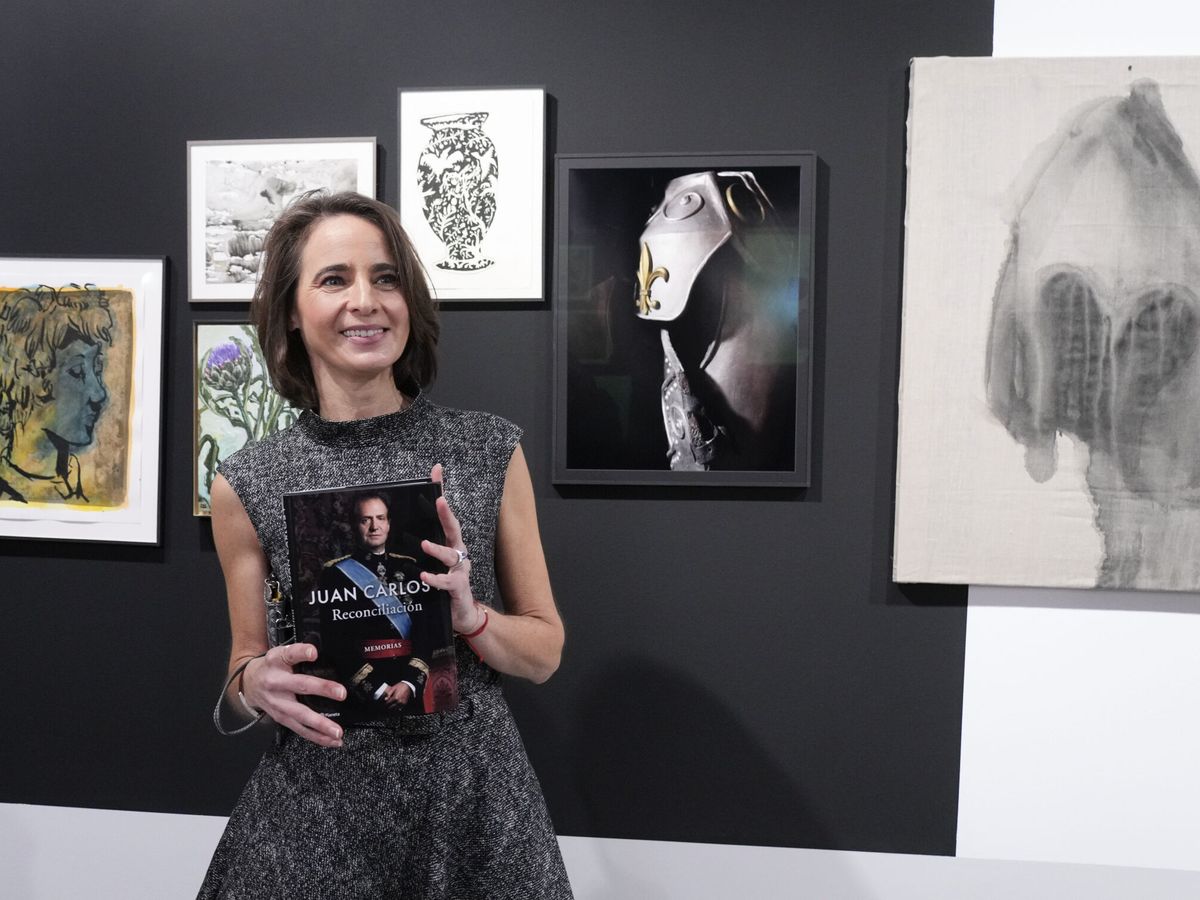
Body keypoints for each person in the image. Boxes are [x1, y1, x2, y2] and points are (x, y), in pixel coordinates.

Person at [200, 191, 572, 899]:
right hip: (315, 821)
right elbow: (240, 674)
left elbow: (546, 651)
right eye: (334, 279)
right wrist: (255, 685)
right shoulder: (246, 483)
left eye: (387, 277)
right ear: (289, 312)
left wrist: (472, 617)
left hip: (474, 812)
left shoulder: (487, 450)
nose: (365, 300)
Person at [0, 283, 114, 503]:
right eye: (77, 372)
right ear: (32, 378)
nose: (99, 393)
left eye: (97, 369)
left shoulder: (83, 490)